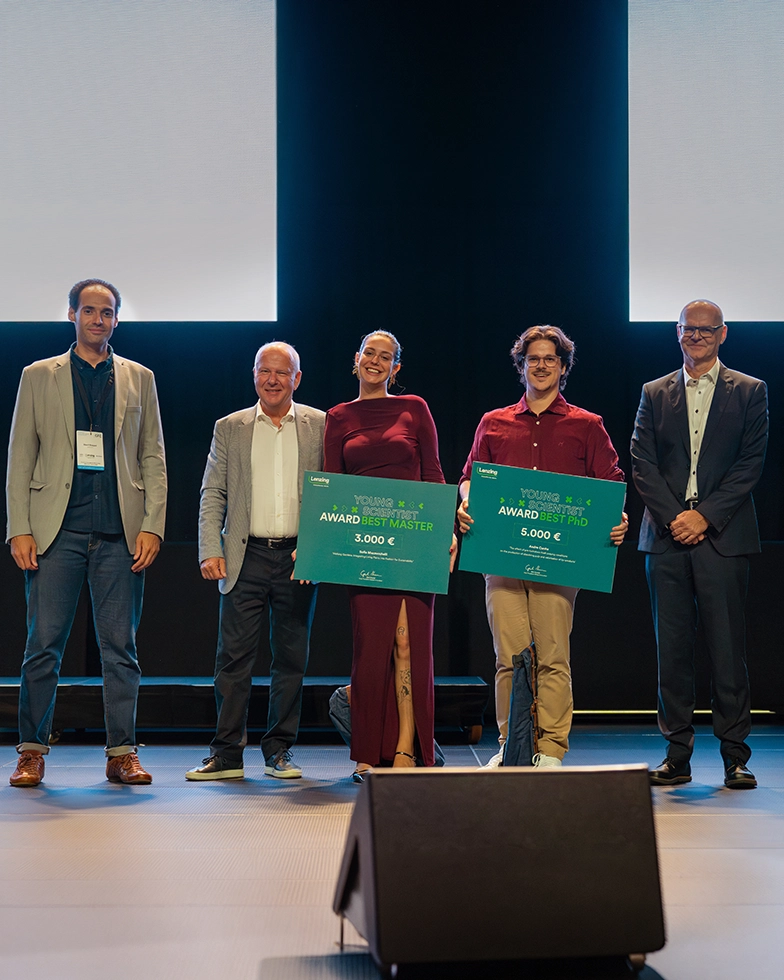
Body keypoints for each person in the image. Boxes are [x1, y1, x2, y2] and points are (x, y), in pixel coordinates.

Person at [6, 279, 167, 787]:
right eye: (90, 311)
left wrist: (153, 527)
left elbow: (153, 457)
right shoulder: (39, 375)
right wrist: (19, 529)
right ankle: (32, 750)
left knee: (120, 649)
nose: (99, 320)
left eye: (108, 312)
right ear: (72, 315)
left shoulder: (139, 377)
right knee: (43, 646)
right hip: (57, 531)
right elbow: (20, 457)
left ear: (117, 319)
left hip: (120, 533)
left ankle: (122, 752)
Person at [458, 325, 627, 768]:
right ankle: (510, 745)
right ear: (521, 366)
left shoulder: (587, 425)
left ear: (563, 367)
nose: (541, 365)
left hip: (560, 560)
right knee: (507, 658)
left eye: (550, 358)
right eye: (533, 358)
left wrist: (617, 519)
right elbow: (469, 479)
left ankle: (550, 748)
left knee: (552, 655)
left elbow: (611, 485)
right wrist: (464, 504)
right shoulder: (493, 423)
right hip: (501, 557)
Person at [631, 300, 768, 789]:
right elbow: (641, 462)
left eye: (707, 330)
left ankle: (735, 757)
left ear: (723, 334)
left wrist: (704, 517)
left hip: (723, 538)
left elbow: (749, 465)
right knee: (673, 652)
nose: (697, 336)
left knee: (728, 651)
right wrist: (676, 519)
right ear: (677, 332)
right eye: (690, 329)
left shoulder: (751, 391)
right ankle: (677, 755)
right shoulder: (654, 392)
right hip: (666, 540)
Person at [187, 342, 324, 781]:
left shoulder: (321, 425)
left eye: (282, 373)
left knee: (290, 660)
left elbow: (332, 490)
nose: (272, 379)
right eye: (265, 371)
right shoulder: (231, 427)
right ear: (254, 375)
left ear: (296, 379)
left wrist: (319, 546)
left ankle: (279, 751)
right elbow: (214, 493)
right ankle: (226, 754)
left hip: (297, 558)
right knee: (233, 660)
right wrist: (210, 548)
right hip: (243, 557)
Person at [324, 331, 454, 781]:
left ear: (396, 368)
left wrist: (446, 533)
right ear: (356, 359)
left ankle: (404, 750)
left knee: (407, 645)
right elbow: (331, 486)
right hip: (365, 548)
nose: (376, 362)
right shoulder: (338, 417)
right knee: (371, 647)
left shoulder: (414, 408)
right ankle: (366, 752)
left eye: (386, 357)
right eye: (370, 354)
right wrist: (321, 548)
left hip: (414, 545)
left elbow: (434, 473)